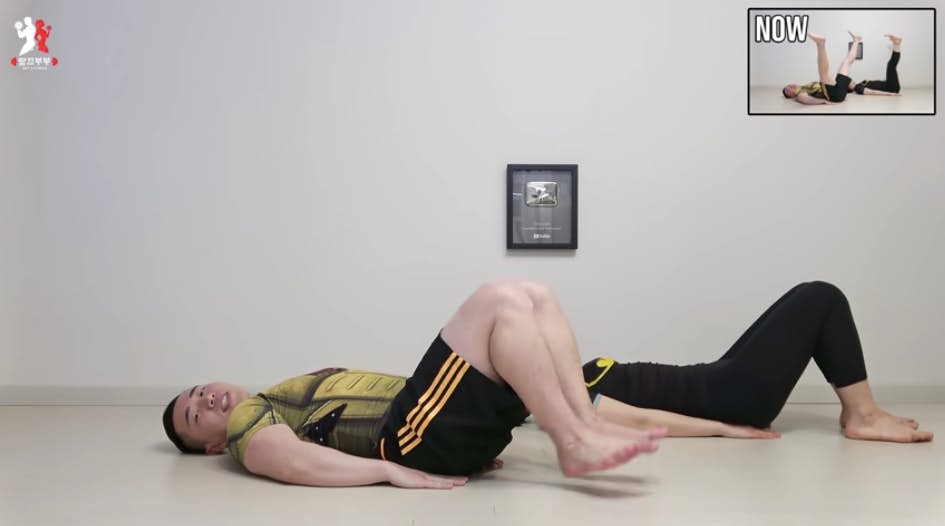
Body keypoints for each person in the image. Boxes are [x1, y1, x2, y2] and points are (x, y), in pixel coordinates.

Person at [162, 280, 664, 488]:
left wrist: (463, 433)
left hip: (433, 429)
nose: (205, 398)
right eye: (195, 413)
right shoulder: (247, 421)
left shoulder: (278, 394)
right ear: (210, 446)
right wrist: (389, 471)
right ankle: (573, 438)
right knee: (499, 299)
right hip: (405, 438)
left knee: (533, 296)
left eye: (200, 390)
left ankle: (582, 421)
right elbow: (292, 461)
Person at [583, 281, 934, 443]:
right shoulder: (565, 397)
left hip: (718, 381)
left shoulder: (565, 380)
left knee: (807, 293)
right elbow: (643, 421)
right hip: (730, 397)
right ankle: (863, 415)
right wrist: (724, 428)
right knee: (821, 298)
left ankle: (861, 412)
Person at [782, 31, 862, 105]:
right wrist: (823, 101)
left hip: (837, 91)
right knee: (824, 74)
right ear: (790, 96)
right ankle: (820, 44)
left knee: (846, 62)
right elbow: (803, 98)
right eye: (787, 90)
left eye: (788, 86)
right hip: (834, 96)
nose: (789, 87)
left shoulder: (804, 87)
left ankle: (856, 41)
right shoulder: (799, 93)